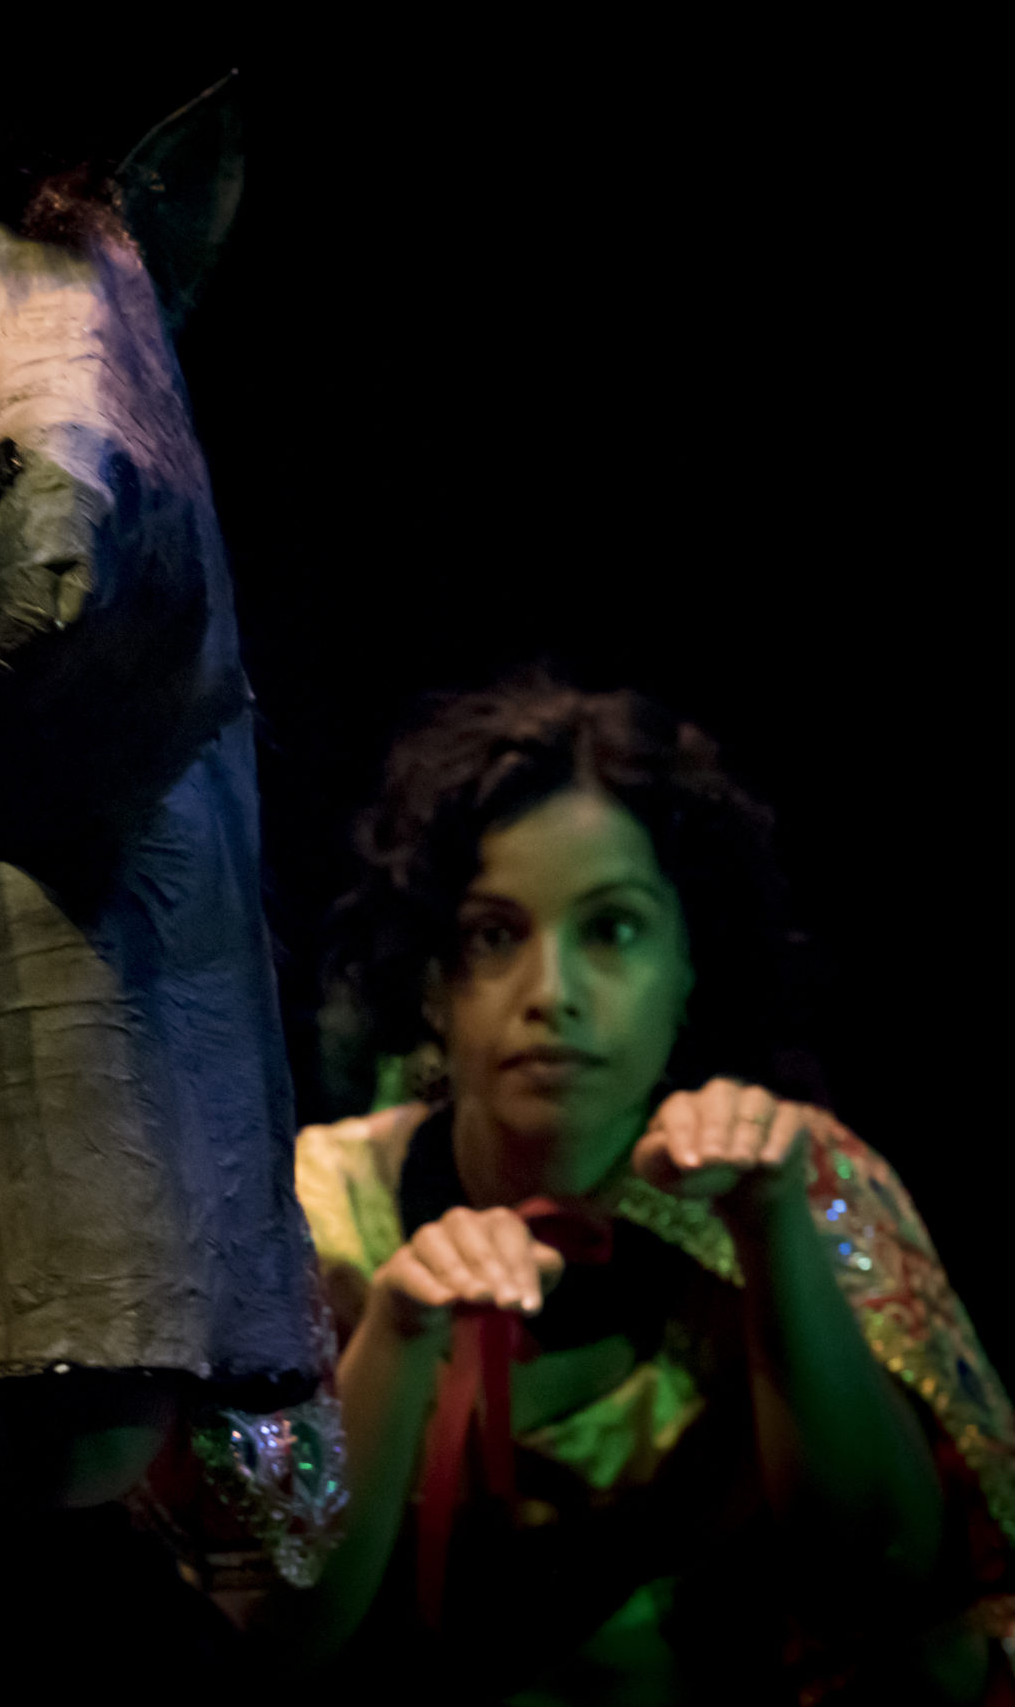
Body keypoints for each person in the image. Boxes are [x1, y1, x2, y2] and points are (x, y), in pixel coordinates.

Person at [287, 680, 1012, 1701]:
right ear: (431, 982)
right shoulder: (309, 1215)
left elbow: (884, 1586)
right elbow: (269, 1638)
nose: (552, 993)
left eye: (614, 930)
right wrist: (397, 1337)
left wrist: (772, 1231)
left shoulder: (800, 1178)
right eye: (493, 934)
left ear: (690, 964)